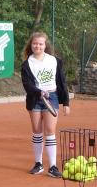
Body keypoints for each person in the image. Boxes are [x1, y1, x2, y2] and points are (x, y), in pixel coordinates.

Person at [21, 32, 70, 177]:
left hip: (52, 97)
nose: (38, 46)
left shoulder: (54, 61)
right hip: (35, 99)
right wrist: (39, 93)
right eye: (35, 43)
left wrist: (66, 102)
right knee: (37, 131)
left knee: (50, 131)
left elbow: (61, 82)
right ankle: (38, 164)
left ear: (45, 45)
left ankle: (53, 167)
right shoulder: (27, 64)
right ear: (31, 45)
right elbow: (27, 85)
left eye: (40, 44)